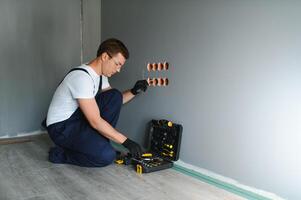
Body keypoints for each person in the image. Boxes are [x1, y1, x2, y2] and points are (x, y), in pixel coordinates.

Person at [44, 38, 148, 167]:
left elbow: (115, 101)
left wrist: (133, 91)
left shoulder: (100, 76)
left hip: (78, 120)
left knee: (114, 95)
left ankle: (97, 145)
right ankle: (61, 154)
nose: (118, 70)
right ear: (105, 56)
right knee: (106, 156)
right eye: (117, 64)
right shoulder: (81, 77)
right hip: (62, 128)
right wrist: (126, 142)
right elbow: (95, 121)